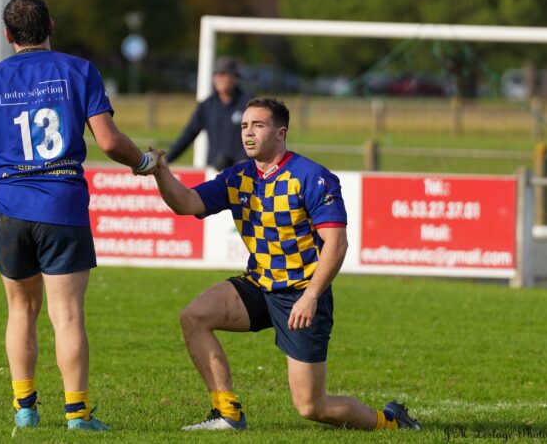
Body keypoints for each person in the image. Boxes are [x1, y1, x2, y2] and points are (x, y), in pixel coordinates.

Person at [150, 98, 420, 431]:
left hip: (301, 295)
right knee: (193, 317)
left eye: (258, 126)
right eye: (244, 126)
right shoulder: (237, 176)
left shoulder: (312, 177)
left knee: (311, 406)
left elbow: (337, 244)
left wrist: (311, 296)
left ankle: (392, 423)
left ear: (281, 133)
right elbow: (187, 203)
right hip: (260, 284)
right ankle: (228, 414)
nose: (248, 133)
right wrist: (161, 173)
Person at [0, 0, 156, 432]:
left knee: (20, 311)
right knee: (66, 315)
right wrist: (143, 162)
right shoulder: (78, 71)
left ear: (8, 35)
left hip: (9, 206)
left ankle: (24, 409)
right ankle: (77, 414)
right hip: (61, 204)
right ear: (51, 25)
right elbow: (109, 141)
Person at [165, 57, 254, 170]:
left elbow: (258, 136)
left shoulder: (248, 103)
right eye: (217, 75)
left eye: (224, 74)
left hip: (244, 171)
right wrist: (167, 159)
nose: (220, 78)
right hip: (214, 171)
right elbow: (188, 135)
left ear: (235, 78)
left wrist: (245, 158)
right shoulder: (207, 105)